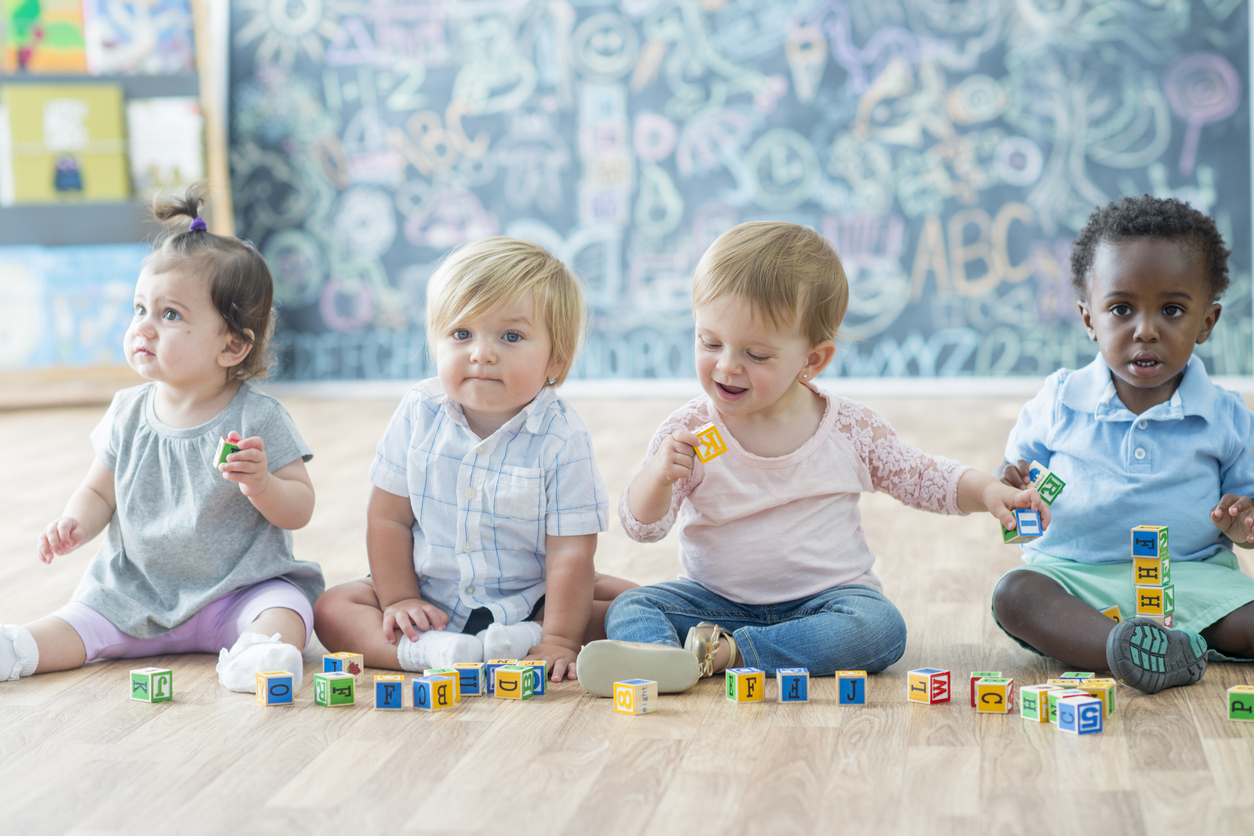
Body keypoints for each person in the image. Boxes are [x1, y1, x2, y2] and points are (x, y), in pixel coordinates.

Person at [574, 221, 1047, 696]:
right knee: (631, 608)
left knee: (880, 628)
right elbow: (643, 527)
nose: (726, 365)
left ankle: (729, 654)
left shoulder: (849, 430)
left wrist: (989, 491)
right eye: (709, 342)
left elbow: (921, 475)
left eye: (756, 354)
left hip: (827, 602)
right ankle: (663, 661)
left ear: (812, 361)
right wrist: (656, 477)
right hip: (714, 601)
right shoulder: (692, 430)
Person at [1, 186, 324, 691]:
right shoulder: (127, 412)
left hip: (236, 593)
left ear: (233, 344)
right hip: (134, 595)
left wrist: (263, 485)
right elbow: (98, 492)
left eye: (170, 315)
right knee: (77, 622)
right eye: (139, 310)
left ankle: (263, 653)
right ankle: (17, 648)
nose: (144, 329)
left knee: (288, 606)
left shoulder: (258, 416)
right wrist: (74, 522)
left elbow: (300, 507)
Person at [313, 238, 635, 682]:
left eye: (511, 336)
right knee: (332, 609)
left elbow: (570, 552)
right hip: (431, 593)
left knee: (636, 605)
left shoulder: (561, 437)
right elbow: (387, 519)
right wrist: (401, 599)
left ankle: (529, 635)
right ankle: (429, 652)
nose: (482, 353)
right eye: (462, 334)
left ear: (555, 360)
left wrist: (559, 639)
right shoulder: (419, 411)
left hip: (531, 595)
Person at [992, 195, 1254, 694]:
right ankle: (1121, 648)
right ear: (1089, 318)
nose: (1146, 329)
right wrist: (1014, 487)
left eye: (1172, 310)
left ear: (1207, 322)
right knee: (1016, 594)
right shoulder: (1059, 400)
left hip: (1193, 577)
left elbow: (1246, 516)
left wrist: (1243, 523)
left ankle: (1145, 647)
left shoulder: (1227, 417)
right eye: (1121, 309)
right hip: (1075, 580)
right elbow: (1017, 476)